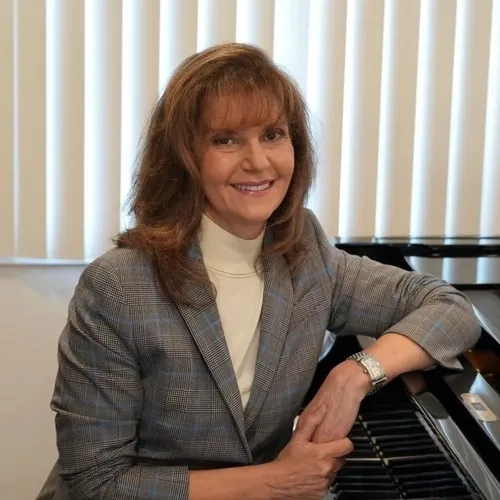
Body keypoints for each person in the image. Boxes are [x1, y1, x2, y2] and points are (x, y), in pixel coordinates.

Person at [37, 42, 481, 500]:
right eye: (225, 139)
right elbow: (97, 483)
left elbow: (449, 308)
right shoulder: (120, 286)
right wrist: (274, 481)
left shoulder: (302, 251)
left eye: (272, 134)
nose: (258, 161)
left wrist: (355, 374)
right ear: (184, 157)